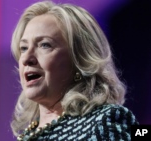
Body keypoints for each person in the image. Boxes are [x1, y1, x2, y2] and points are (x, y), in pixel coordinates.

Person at [10, 1, 138, 141]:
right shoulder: (28, 136)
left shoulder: (103, 123)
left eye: (44, 45)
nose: (26, 58)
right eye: (23, 48)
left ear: (79, 61)